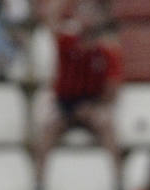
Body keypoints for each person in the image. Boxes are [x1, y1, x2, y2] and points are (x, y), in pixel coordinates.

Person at [36, 0, 119, 164]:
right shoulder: (66, 41)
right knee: (47, 130)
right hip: (64, 106)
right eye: (83, 10)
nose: (88, 16)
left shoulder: (108, 51)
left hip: (92, 105)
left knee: (107, 127)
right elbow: (50, 19)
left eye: (93, 11)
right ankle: (39, 182)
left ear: (102, 17)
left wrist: (93, 108)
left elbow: (112, 89)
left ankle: (117, 178)